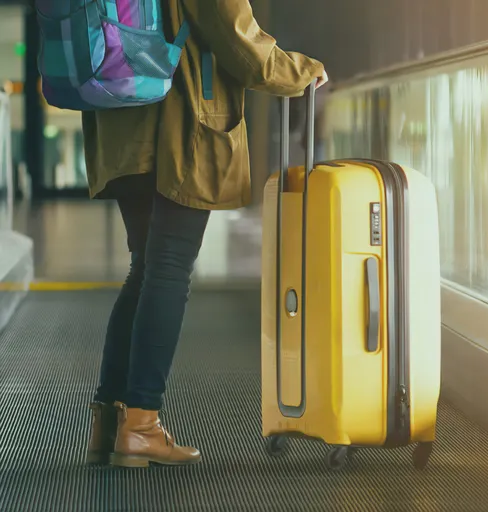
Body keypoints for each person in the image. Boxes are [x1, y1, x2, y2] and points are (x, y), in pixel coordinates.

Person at [82, 0, 328, 468]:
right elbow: (238, 39)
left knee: (147, 267)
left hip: (118, 114)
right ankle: (141, 425)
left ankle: (110, 424)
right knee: (169, 266)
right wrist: (301, 71)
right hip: (177, 122)